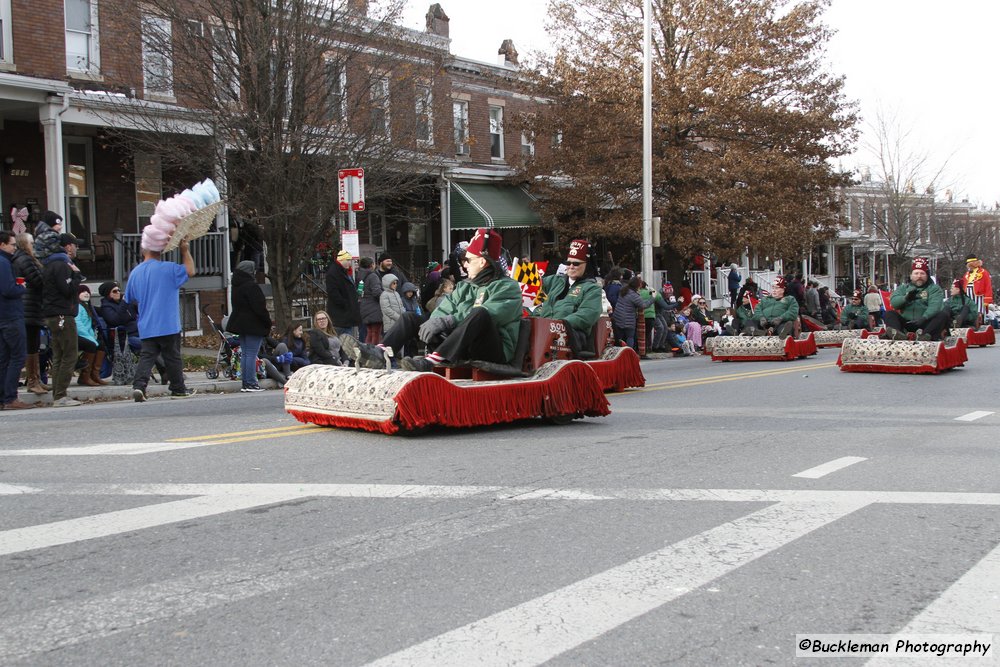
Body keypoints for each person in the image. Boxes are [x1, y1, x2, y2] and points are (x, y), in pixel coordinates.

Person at [343, 228, 522, 372]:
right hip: (461, 340)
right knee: (410, 317)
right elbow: (446, 307)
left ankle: (431, 362)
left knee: (480, 313)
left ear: (482, 262)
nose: (464, 264)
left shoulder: (508, 287)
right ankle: (379, 353)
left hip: (491, 349)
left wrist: (449, 320)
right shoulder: (465, 285)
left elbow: (491, 315)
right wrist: (436, 320)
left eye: (468, 259)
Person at [125, 236, 196, 402]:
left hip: (147, 323)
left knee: (147, 356)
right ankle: (178, 389)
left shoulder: (135, 273)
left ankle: (139, 386)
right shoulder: (168, 268)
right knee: (172, 357)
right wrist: (184, 251)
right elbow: (190, 270)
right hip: (168, 323)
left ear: (144, 251)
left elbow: (129, 298)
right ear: (161, 249)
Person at [533, 239, 604, 356]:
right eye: (568, 263)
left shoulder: (592, 289)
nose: (571, 266)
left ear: (587, 264)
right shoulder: (556, 281)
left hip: (571, 335)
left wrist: (559, 324)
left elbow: (588, 315)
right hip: (545, 330)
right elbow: (533, 285)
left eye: (576, 263)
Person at [41, 233, 85, 407]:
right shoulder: (62, 265)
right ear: (68, 247)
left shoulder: (50, 263)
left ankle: (57, 393)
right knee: (69, 354)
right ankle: (60, 395)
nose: (76, 249)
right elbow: (67, 290)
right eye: (75, 245)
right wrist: (76, 276)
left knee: (59, 354)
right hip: (62, 314)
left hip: (53, 314)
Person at [0, 231, 33, 409]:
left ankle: (3, 397)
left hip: (3, 316)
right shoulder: (4, 263)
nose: (14, 247)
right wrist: (21, 286)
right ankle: (11, 397)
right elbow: (8, 289)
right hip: (10, 316)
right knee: (17, 356)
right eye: (12, 244)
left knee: (4, 358)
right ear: (2, 244)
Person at [11, 233, 48, 395]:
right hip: (29, 307)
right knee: (31, 345)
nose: (34, 245)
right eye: (32, 242)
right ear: (24, 244)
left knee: (34, 345)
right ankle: (32, 380)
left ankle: (36, 378)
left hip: (31, 306)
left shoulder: (24, 259)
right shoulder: (25, 259)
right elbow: (38, 280)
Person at [227, 260, 271, 392]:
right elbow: (259, 307)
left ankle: (246, 383)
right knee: (251, 354)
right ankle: (251, 383)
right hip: (253, 325)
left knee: (246, 354)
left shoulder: (236, 286)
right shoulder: (251, 286)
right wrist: (267, 322)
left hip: (241, 325)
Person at [884, 257, 948, 341]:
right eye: (916, 273)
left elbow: (935, 306)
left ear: (927, 276)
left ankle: (925, 336)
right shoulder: (903, 288)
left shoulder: (934, 289)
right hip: (907, 322)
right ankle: (898, 335)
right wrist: (905, 298)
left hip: (925, 322)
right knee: (889, 314)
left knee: (942, 315)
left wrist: (924, 318)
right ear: (911, 276)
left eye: (922, 273)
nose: (919, 276)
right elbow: (894, 303)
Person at [74, 285, 110, 386]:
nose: (86, 293)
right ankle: (84, 376)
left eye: (88, 291)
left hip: (86, 335)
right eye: (83, 291)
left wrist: (92, 338)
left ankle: (94, 375)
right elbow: (78, 325)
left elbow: (89, 326)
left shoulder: (87, 306)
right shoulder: (77, 306)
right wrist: (90, 338)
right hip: (76, 336)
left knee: (101, 345)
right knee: (91, 345)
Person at [325, 249, 361, 338]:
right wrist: (346, 304)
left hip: (346, 316)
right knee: (344, 343)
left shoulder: (343, 272)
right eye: (348, 260)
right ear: (342, 260)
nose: (350, 263)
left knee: (348, 343)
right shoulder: (334, 273)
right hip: (341, 317)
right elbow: (333, 293)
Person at [612, 276, 654, 350]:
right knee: (630, 337)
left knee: (619, 338)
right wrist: (652, 298)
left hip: (617, 317)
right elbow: (643, 305)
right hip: (628, 320)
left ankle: (617, 353)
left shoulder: (623, 290)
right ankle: (629, 353)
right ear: (637, 285)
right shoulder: (634, 296)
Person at [961, 253, 992, 321]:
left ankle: (980, 323)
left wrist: (987, 299)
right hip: (968, 296)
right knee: (969, 311)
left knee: (979, 312)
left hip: (979, 296)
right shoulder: (967, 274)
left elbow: (988, 286)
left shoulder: (983, 272)